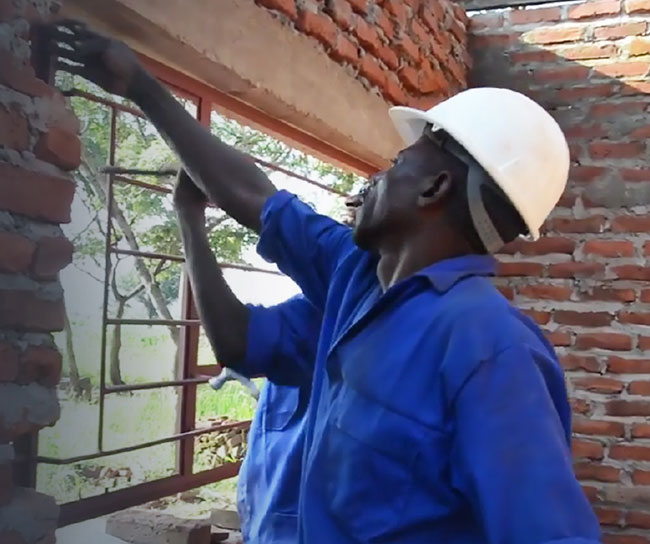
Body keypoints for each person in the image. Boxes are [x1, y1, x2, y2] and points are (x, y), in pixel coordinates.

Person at [49, 21, 602, 542]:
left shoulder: (489, 347)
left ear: (432, 189)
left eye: (396, 163)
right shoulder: (358, 280)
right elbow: (256, 200)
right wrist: (142, 86)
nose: (375, 177)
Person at [174, 169, 320, 543]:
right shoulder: (320, 308)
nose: (352, 206)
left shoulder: (330, 314)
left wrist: (189, 216)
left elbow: (234, 339)